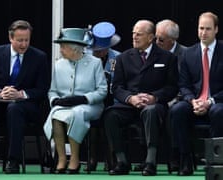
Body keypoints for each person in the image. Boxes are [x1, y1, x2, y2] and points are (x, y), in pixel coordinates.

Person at [103, 19, 178, 176]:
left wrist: (154, 97)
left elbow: (172, 88)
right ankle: (122, 161)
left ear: (150, 38)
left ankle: (150, 162)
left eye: (139, 34)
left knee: (150, 112)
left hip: (154, 105)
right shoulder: (123, 58)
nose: (135, 37)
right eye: (133, 34)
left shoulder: (167, 58)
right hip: (130, 104)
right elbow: (116, 88)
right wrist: (130, 98)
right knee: (110, 114)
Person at [0, 20, 50, 174]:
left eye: (27, 40)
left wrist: (21, 94)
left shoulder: (39, 57)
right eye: (20, 40)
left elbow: (42, 89)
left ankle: (13, 160)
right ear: (11, 38)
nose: (24, 44)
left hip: (26, 106)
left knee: (14, 108)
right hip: (0, 103)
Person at [43, 28, 107, 174]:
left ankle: (75, 158)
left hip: (90, 106)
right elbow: (52, 90)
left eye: (63, 47)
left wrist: (84, 98)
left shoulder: (95, 63)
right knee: (55, 115)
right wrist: (55, 101)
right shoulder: (59, 64)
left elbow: (102, 91)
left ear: (75, 49)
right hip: (65, 106)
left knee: (77, 112)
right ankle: (61, 158)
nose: (60, 51)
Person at [169, 11, 223, 176]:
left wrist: (210, 101)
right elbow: (183, 85)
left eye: (207, 29)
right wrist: (193, 101)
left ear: (216, 30)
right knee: (177, 110)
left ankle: (215, 161)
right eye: (201, 28)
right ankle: (186, 159)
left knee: (218, 111)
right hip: (195, 101)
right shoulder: (188, 53)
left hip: (217, 101)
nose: (203, 33)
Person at [84, 21, 121, 172]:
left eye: (104, 49)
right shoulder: (84, 58)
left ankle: (110, 158)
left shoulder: (117, 58)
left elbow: (120, 83)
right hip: (91, 99)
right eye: (98, 50)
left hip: (112, 100)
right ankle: (92, 158)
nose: (101, 53)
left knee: (109, 114)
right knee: (94, 116)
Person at [155, 19, 188, 173]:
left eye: (160, 39)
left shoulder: (186, 54)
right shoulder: (154, 52)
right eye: (155, 37)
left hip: (179, 97)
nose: (156, 42)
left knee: (174, 111)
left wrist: (174, 99)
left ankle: (174, 155)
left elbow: (186, 83)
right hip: (159, 97)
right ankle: (149, 157)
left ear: (172, 40)